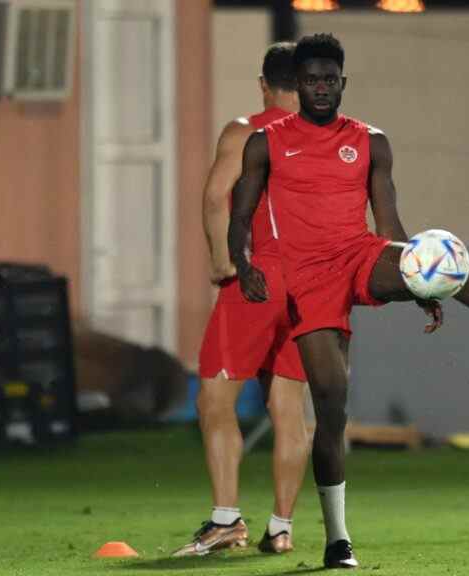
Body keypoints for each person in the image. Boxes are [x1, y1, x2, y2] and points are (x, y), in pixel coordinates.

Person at [228, 34, 469, 568]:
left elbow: (391, 227)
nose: (321, 88)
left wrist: (422, 284)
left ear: (343, 82)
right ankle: (337, 538)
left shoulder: (371, 141)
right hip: (307, 280)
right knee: (331, 406)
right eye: (310, 80)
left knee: (443, 261)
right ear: (297, 85)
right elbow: (240, 215)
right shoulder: (266, 143)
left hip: (359, 254)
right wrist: (245, 263)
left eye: (330, 79)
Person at [173, 43, 310, 558]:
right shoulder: (330, 136)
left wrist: (220, 261)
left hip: (257, 279)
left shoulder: (246, 130)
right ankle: (281, 527)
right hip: (310, 288)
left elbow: (214, 198)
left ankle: (226, 519)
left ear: (263, 84)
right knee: (290, 412)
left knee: (213, 400)